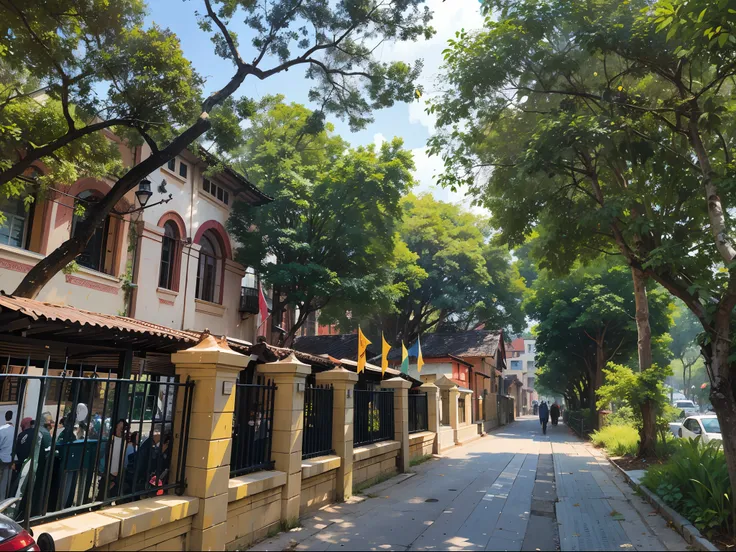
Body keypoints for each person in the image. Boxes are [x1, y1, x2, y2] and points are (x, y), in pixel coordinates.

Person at [0, 411, 13, 499]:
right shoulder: (15, 430)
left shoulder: (2, 429)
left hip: (1, 458)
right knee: (6, 482)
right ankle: (3, 500)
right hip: (11, 460)